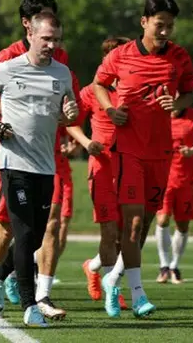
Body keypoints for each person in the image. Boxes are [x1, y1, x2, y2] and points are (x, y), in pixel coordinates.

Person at [0, 12, 78, 328]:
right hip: (13, 163)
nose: (51, 45)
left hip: (45, 166)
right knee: (23, 231)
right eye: (46, 38)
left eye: (56, 40)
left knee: (32, 239)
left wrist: (70, 112)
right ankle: (31, 306)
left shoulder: (62, 73)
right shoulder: (8, 68)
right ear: (30, 34)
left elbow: (68, 111)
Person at [93, 0, 193, 318]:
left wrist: (178, 105)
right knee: (134, 224)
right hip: (128, 151)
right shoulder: (121, 56)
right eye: (159, 24)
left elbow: (189, 92)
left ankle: (112, 279)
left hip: (161, 154)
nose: (165, 31)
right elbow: (98, 84)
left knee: (146, 224)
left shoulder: (180, 57)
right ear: (144, 22)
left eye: (169, 26)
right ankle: (137, 295)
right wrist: (110, 109)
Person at [67, 37, 130, 311]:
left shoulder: (134, 89)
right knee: (109, 230)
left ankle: (92, 267)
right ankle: (112, 292)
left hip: (131, 166)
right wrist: (86, 143)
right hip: (102, 166)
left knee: (128, 234)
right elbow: (71, 123)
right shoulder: (90, 92)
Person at [155, 106, 193, 283]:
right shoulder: (158, 113)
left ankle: (174, 266)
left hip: (185, 178)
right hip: (163, 176)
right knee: (162, 219)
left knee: (183, 225)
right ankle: (163, 266)